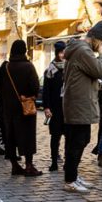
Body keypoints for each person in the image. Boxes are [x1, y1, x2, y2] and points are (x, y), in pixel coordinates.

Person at [61, 21, 102, 193]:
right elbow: (99, 70)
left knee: (78, 141)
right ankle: (70, 180)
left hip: (78, 103)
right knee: (77, 142)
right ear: (97, 40)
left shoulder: (79, 50)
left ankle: (73, 176)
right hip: (79, 105)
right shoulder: (83, 50)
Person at [0, 40, 41, 176]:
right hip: (25, 109)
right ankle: (29, 166)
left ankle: (15, 166)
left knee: (10, 137)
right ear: (24, 51)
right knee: (27, 136)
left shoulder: (5, 67)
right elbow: (35, 87)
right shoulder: (28, 67)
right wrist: (29, 95)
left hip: (9, 109)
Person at [42, 41, 67, 171]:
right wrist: (46, 107)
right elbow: (46, 91)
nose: (62, 55)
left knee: (69, 136)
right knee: (55, 136)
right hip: (55, 108)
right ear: (57, 53)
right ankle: (54, 161)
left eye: (64, 52)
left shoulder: (71, 68)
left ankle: (68, 162)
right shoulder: (50, 70)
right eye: (60, 52)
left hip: (68, 108)